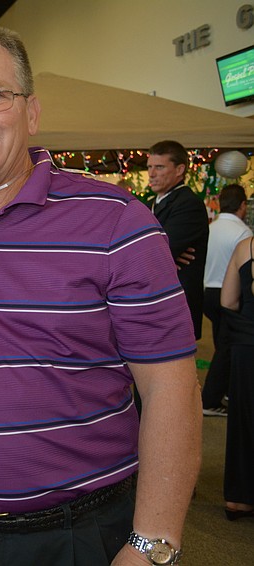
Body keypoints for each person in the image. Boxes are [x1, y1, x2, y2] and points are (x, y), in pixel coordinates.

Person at [0, 27, 201, 565]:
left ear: (31, 112)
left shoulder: (118, 223)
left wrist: (152, 544)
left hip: (76, 536)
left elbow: (172, 390)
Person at [148, 140, 210, 340]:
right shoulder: (149, 204)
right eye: (149, 167)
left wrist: (162, 252)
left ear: (180, 169)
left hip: (176, 303)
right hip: (151, 301)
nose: (151, 174)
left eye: (159, 167)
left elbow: (159, 251)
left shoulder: (188, 204)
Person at [202, 184, 252, 416]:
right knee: (227, 348)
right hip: (230, 293)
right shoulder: (243, 233)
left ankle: (225, 391)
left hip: (208, 292)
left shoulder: (210, 228)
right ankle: (211, 398)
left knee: (223, 344)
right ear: (243, 205)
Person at [221, 234, 254, 522]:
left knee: (243, 418)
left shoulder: (246, 246)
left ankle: (238, 497)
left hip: (247, 345)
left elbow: (228, 301)